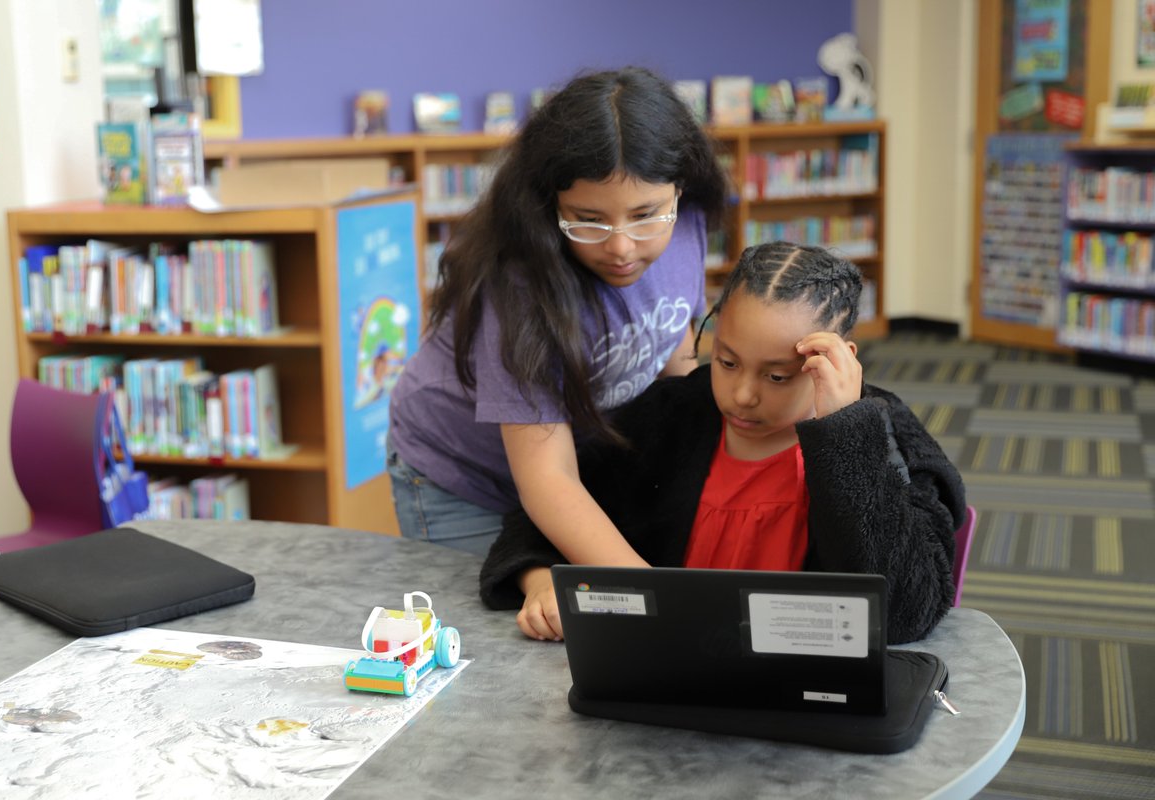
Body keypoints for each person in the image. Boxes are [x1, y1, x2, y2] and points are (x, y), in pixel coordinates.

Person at [479, 241, 966, 645]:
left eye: (777, 376)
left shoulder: (881, 440)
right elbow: (547, 514)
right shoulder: (672, 414)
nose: (742, 395)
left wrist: (843, 433)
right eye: (727, 362)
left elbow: (904, 613)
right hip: (671, 672)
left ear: (838, 361)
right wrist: (540, 578)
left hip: (800, 685)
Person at [387, 67, 728, 556]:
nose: (623, 248)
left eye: (645, 215)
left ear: (679, 189)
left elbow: (671, 344)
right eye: (589, 221)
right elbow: (548, 479)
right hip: (467, 479)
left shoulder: (686, 218)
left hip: (580, 466)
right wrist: (654, 605)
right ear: (550, 207)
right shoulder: (520, 282)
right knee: (497, 623)